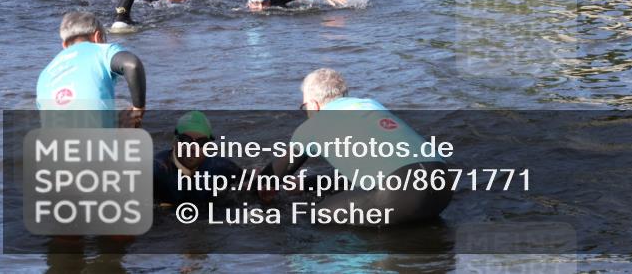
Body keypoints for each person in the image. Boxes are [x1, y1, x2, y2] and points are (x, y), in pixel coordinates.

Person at [259, 69, 453, 224]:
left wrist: (252, 185)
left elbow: (272, 177)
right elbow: (368, 172)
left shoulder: (311, 126)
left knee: (309, 218)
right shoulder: (372, 105)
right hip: (442, 187)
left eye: (305, 107)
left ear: (314, 105)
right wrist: (308, 183)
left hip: (399, 197)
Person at [35, 12, 146, 128]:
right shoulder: (102, 50)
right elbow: (132, 65)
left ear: (64, 45)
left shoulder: (45, 73)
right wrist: (138, 109)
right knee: (128, 117)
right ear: (97, 37)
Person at [153, 111, 241, 205]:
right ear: (175, 141)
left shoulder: (220, 167)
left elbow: (248, 180)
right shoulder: (156, 170)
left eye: (201, 142)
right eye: (186, 140)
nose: (192, 148)